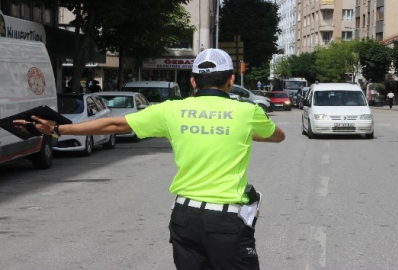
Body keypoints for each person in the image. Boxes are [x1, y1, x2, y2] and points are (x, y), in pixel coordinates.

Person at [14, 48, 285, 270]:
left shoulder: (171, 111)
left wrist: (59, 129)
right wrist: (235, 132)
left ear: (192, 81)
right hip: (225, 221)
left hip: (184, 217)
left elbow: (114, 126)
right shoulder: (247, 113)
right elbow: (277, 136)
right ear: (231, 81)